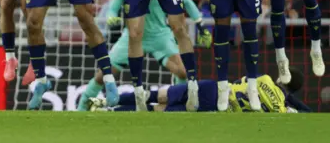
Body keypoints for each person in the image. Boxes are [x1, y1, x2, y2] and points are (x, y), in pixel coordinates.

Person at [77, 0, 212, 111]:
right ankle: (82, 107)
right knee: (103, 75)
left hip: (160, 36)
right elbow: (114, 6)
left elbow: (186, 1)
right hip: (131, 36)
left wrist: (200, 24)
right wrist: (111, 15)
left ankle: (178, 103)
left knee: (183, 72)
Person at [90, 67, 311, 113]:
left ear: (284, 76)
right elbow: (305, 114)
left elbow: (241, 79)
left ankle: (106, 101)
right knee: (158, 110)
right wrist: (292, 103)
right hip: (212, 107)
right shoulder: (279, 111)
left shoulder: (264, 78)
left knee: (156, 95)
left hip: (211, 89)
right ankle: (107, 112)